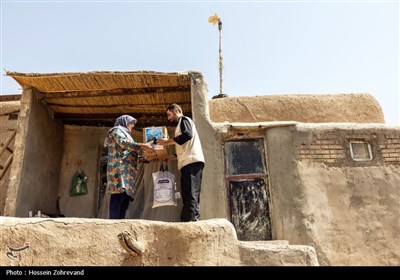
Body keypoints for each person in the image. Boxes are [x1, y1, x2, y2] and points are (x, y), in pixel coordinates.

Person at [157, 104, 205, 222]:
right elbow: (184, 148)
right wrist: (170, 157)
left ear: (176, 110)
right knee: (188, 192)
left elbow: (187, 135)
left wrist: (167, 142)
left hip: (192, 162)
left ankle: (190, 221)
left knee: (191, 193)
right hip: (187, 162)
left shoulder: (184, 120)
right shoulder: (180, 124)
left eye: (169, 114)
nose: (169, 118)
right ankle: (191, 219)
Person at [104, 115, 153, 219]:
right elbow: (124, 143)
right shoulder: (116, 131)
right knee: (118, 196)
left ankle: (120, 224)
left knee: (125, 199)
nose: (132, 126)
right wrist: (141, 145)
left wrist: (148, 158)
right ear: (124, 122)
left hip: (127, 174)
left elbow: (131, 154)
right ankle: (113, 223)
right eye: (130, 123)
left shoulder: (127, 135)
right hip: (118, 170)